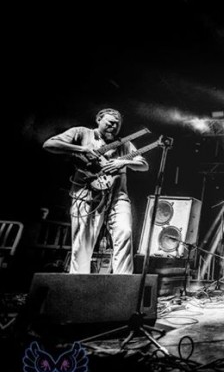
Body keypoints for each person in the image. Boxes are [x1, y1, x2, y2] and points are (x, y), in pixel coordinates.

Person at [43, 108, 149, 274]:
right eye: (110, 123)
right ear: (99, 119)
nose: (114, 127)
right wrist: (82, 149)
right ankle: (79, 282)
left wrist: (123, 162)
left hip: (117, 196)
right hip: (86, 194)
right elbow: (49, 144)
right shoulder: (81, 133)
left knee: (125, 231)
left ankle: (123, 282)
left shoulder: (124, 143)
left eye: (118, 125)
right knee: (82, 241)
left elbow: (144, 165)